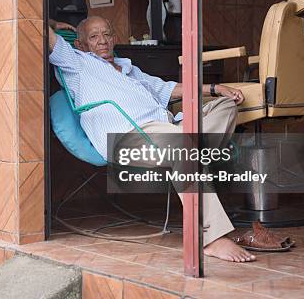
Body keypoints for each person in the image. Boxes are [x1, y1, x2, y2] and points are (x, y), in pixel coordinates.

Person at [48, 16, 256, 263]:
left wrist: (216, 89)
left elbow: (169, 89)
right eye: (94, 37)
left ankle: (192, 161)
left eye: (107, 34)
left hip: (169, 127)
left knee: (225, 107)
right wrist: (53, 23)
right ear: (81, 44)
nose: (102, 41)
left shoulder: (129, 69)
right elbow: (33, 23)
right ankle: (211, 237)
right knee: (184, 147)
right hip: (129, 136)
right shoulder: (77, 63)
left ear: (114, 38)